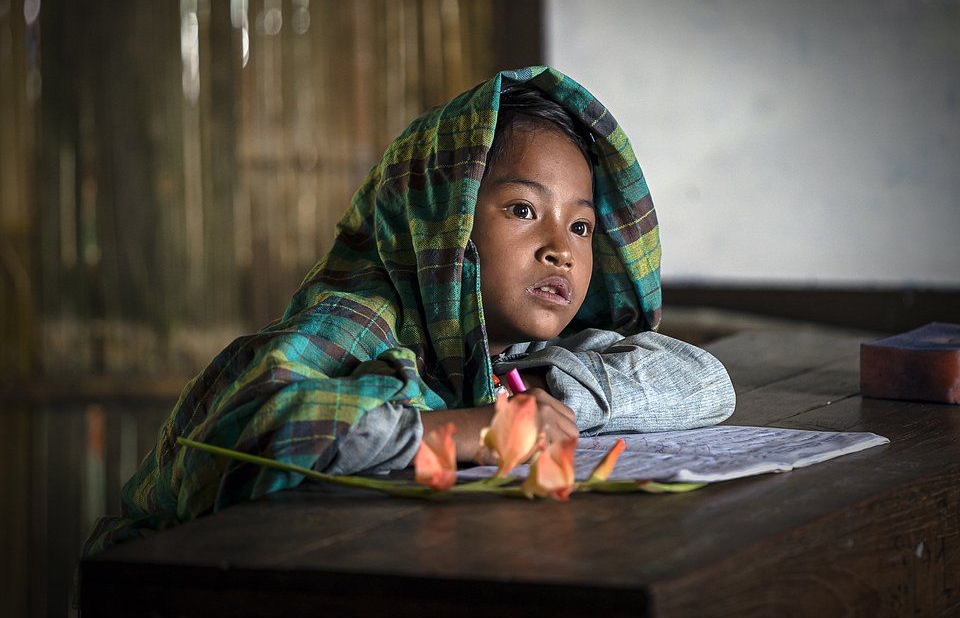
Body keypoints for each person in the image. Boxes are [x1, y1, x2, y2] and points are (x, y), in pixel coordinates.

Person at [82, 66, 735, 555]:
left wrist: (537, 394)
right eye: (523, 211)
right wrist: (470, 431)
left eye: (583, 227)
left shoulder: (514, 358)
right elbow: (258, 429)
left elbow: (704, 382)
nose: (560, 250)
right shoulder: (363, 320)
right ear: (441, 224)